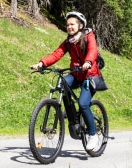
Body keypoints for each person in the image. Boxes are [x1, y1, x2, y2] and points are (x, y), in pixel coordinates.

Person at [30, 11, 102, 152]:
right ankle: (71, 115)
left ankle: (92, 135)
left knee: (83, 104)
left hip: (90, 76)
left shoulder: (88, 36)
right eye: (67, 25)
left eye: (72, 24)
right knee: (62, 83)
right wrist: (42, 63)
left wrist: (88, 61)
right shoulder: (69, 42)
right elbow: (57, 53)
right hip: (76, 74)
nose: (69, 27)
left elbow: (92, 50)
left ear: (80, 25)